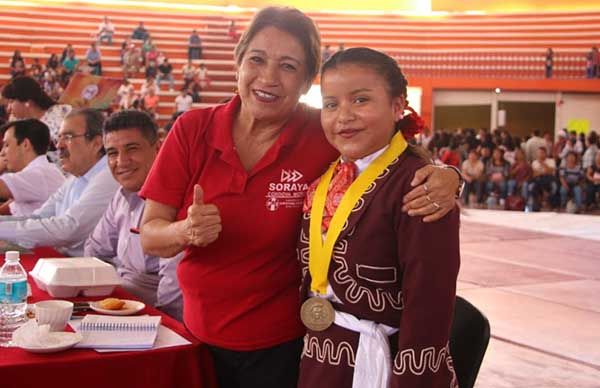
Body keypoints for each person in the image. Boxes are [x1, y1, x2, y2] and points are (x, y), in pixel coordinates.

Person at [138, 7, 459, 388]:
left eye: (289, 66)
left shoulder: (322, 132)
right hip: (197, 334)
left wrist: (448, 176)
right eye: (257, 59)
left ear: (307, 79)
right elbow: (150, 234)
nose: (268, 78)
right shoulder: (192, 130)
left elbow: (387, 154)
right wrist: (183, 231)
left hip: (287, 347)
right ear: (238, 62)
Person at [297, 46, 459, 388]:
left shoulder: (421, 186)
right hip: (322, 357)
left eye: (360, 100)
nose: (343, 116)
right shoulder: (328, 175)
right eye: (330, 104)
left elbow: (429, 301)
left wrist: (413, 378)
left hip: (385, 362)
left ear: (398, 106)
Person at [84, 110, 182, 320]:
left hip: (152, 318)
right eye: (112, 153)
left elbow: (172, 294)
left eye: (132, 149)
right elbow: (93, 251)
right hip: (117, 305)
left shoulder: (176, 200)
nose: (122, 161)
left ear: (158, 148)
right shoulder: (121, 195)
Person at [0, 109, 119, 256]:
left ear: (96, 143)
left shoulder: (108, 177)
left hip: (96, 271)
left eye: (68, 137)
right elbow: (39, 217)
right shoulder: (76, 177)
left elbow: (68, 229)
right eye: (59, 138)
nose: (58, 146)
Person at [0, 119, 65, 216]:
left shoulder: (39, 174)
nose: (2, 153)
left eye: (7, 145)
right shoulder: (40, 172)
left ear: (25, 144)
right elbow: (8, 210)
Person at [1, 76, 72, 146]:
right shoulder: (17, 121)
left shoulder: (61, 114)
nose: (8, 108)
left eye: (11, 102)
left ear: (27, 101)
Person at [528, 146, 557, 211]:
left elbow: (550, 172)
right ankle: (535, 205)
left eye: (542, 153)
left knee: (554, 187)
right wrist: (543, 172)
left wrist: (542, 163)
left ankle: (552, 205)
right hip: (538, 180)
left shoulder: (551, 161)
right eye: (539, 153)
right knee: (531, 187)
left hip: (549, 179)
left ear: (545, 153)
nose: (540, 154)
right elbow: (534, 174)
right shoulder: (534, 162)